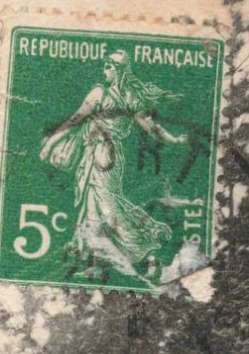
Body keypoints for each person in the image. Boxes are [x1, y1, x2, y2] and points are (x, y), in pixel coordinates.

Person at [38, 50, 187, 282]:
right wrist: (51, 142)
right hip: (96, 153)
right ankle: (95, 260)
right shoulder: (99, 94)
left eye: (108, 67)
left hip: (108, 157)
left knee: (107, 206)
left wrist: (173, 140)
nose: (104, 70)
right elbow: (74, 120)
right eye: (104, 66)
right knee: (94, 206)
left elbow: (150, 126)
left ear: (119, 71)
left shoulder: (128, 98)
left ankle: (144, 250)